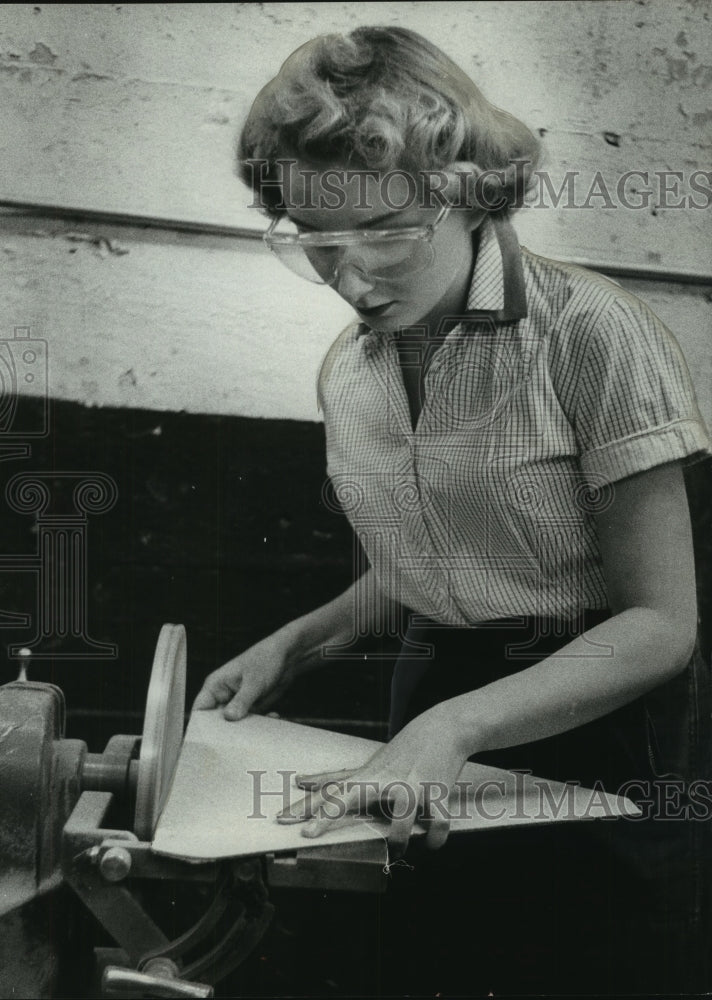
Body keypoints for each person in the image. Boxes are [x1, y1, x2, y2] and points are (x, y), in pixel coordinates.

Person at [193, 26, 711, 995]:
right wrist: (295, 646)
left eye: (386, 233)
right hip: (435, 707)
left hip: (600, 722)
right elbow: (435, 563)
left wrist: (452, 731)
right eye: (317, 242)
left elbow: (662, 624)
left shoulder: (592, 334)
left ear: (466, 192)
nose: (352, 279)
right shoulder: (351, 370)